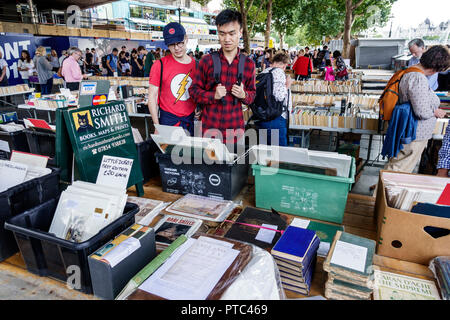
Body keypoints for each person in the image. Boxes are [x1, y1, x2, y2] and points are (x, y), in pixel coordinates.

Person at [189, 9, 256, 145]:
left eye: (232, 33)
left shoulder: (249, 64)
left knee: (235, 166)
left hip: (236, 134)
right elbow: (193, 92)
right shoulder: (206, 61)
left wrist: (244, 95)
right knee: (207, 166)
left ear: (240, 33)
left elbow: (252, 96)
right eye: (222, 34)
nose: (227, 39)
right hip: (208, 132)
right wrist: (213, 95)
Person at [384, 45, 449, 173]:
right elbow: (422, 111)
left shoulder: (412, 73)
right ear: (435, 67)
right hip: (415, 133)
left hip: (413, 131)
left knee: (399, 167)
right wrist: (435, 111)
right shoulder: (417, 77)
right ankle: (384, 193)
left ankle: (385, 192)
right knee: (399, 169)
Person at [148, 22, 197, 136]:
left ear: (186, 39)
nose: (176, 48)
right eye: (171, 44)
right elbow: (152, 96)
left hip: (191, 123)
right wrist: (157, 125)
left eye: (179, 43)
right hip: (168, 123)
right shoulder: (159, 65)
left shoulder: (197, 65)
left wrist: (199, 109)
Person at [255, 52, 293, 146]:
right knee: (279, 153)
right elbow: (279, 96)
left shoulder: (265, 71)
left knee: (265, 150)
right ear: (285, 65)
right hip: (276, 117)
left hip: (262, 115)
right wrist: (287, 85)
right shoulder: (279, 72)